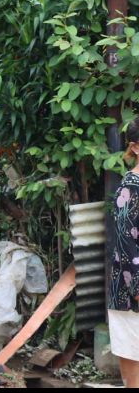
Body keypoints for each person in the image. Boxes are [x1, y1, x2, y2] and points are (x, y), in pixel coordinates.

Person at [109, 117, 139, 388]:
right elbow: (125, 243)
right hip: (131, 294)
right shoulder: (130, 188)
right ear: (135, 147)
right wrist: (137, 289)